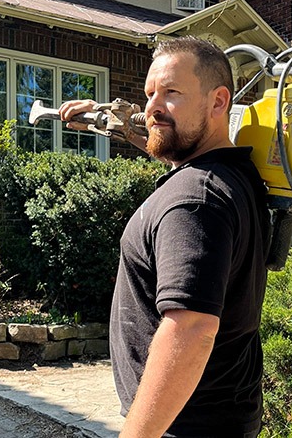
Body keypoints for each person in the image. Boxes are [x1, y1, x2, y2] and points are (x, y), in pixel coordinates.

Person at [59, 36, 268, 438]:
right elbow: (177, 148)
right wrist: (108, 120)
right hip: (220, 419)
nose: (153, 106)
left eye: (171, 92)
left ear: (218, 102)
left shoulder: (194, 201)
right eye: (150, 93)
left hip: (183, 428)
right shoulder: (233, 175)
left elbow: (191, 331)